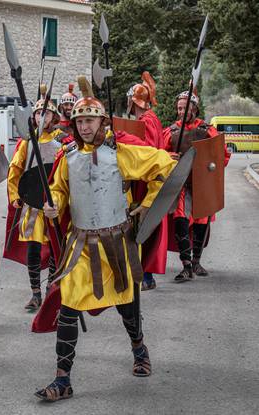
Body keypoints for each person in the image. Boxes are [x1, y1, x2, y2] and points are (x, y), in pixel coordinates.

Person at [31, 76, 176, 402]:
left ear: (102, 121)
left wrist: (146, 205)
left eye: (89, 120)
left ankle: (139, 348)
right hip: (81, 246)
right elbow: (58, 190)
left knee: (127, 306)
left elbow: (164, 165)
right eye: (79, 121)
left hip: (117, 244)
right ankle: (62, 379)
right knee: (68, 306)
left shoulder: (121, 153)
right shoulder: (67, 156)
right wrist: (51, 206)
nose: (83, 126)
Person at [4, 96, 68, 310]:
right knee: (32, 247)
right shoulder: (26, 142)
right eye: (39, 113)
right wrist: (15, 196)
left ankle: (51, 286)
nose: (42, 117)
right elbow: (15, 170)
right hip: (32, 204)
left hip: (52, 203)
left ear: (54, 117)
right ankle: (35, 292)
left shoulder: (61, 143)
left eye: (46, 113)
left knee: (53, 247)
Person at [163, 90, 230, 282]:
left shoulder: (207, 130)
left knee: (201, 223)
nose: (181, 111)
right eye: (179, 108)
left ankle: (196, 262)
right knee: (180, 220)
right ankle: (186, 265)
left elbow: (222, 154)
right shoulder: (172, 132)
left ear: (194, 109)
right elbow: (159, 153)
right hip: (181, 184)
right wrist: (167, 157)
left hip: (202, 184)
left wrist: (211, 172)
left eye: (185, 108)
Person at [126, 72, 167, 290]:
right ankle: (144, 274)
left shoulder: (147, 121)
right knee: (144, 224)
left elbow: (148, 151)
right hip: (146, 179)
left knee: (144, 225)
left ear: (134, 102)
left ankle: (147, 276)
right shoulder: (149, 119)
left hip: (147, 180)